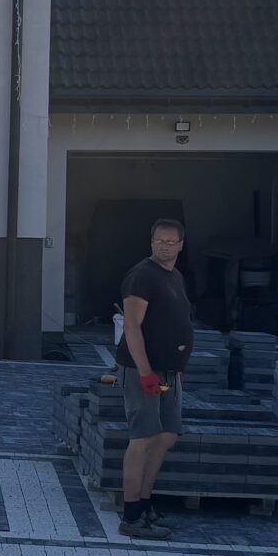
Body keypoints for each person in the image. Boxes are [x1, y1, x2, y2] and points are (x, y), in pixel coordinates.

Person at [118, 219, 192, 539]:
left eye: (170, 241)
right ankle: (131, 516)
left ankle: (145, 504)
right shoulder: (141, 276)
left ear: (180, 246)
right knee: (144, 437)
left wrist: (178, 366)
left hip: (168, 372)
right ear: (151, 242)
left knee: (166, 435)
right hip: (144, 371)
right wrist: (145, 372)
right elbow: (132, 327)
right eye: (159, 240)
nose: (164, 246)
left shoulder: (175, 277)